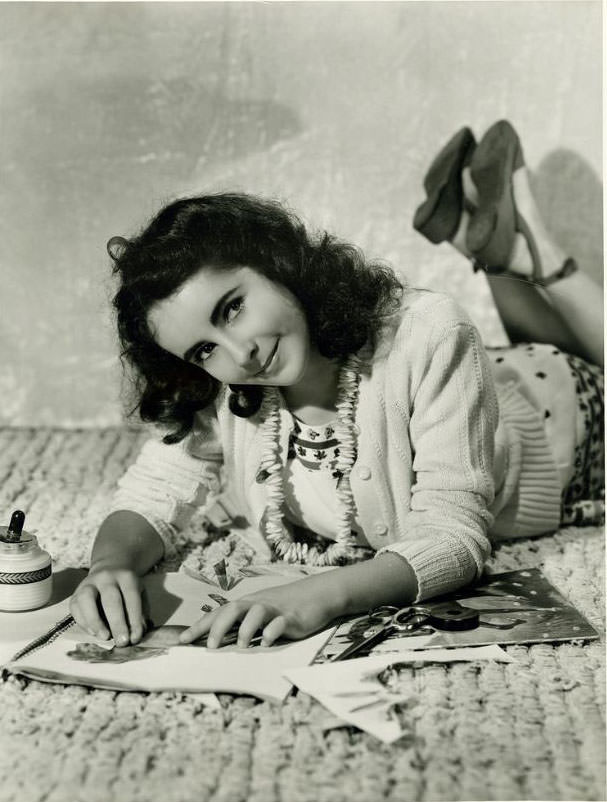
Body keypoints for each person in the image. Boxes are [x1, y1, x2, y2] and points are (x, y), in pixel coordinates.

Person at [69, 120, 604, 652]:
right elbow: (155, 488)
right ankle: (496, 250)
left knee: (590, 367)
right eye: (203, 349)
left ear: (274, 262)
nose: (240, 354)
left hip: (563, 428)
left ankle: (535, 251)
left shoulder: (429, 330)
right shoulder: (225, 386)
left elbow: (455, 540)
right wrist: (109, 564)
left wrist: (318, 595)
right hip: (493, 375)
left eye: (232, 308)